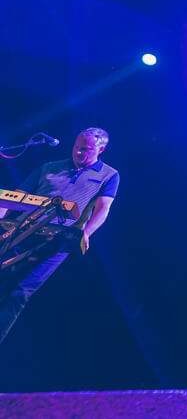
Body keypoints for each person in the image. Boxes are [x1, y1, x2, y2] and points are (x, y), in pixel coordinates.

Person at [0, 127, 120, 344]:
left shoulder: (109, 175)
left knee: (21, 291)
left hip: (59, 239)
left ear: (101, 149)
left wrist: (86, 232)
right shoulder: (49, 167)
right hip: (22, 229)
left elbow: (104, 208)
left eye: (86, 149)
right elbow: (16, 196)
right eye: (76, 147)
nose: (79, 153)